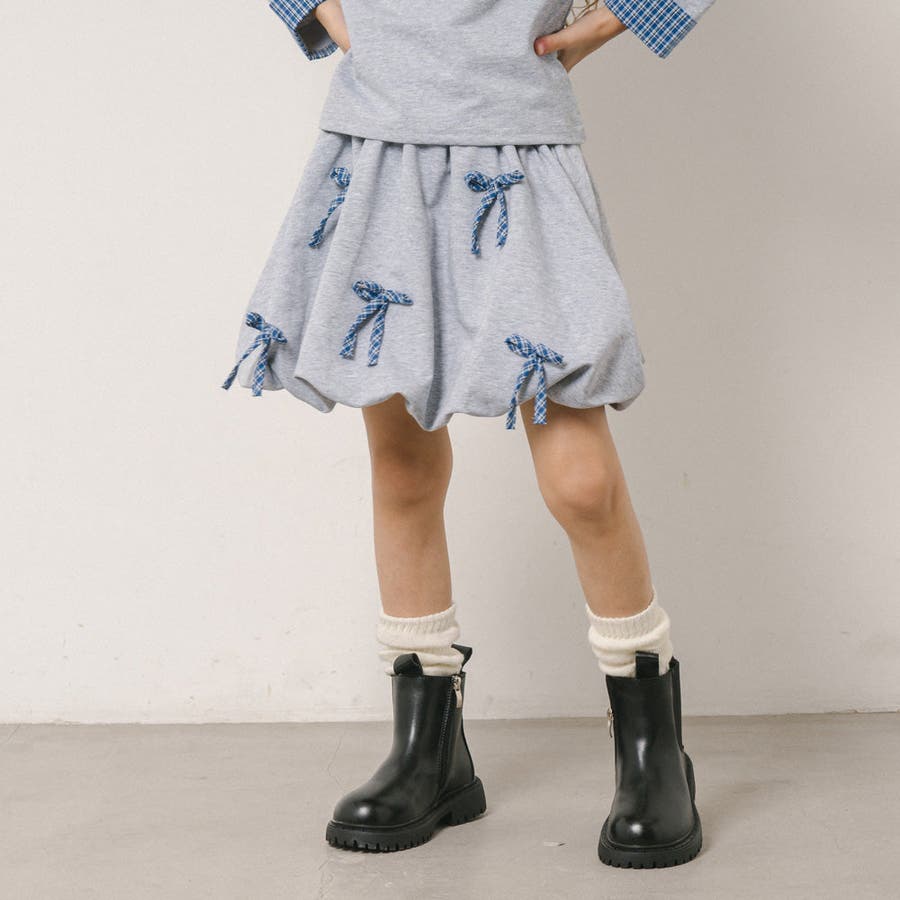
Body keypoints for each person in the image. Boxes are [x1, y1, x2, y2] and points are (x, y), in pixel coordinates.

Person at [223, 0, 717, 868]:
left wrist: (619, 18)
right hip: (381, 140)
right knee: (403, 466)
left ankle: (652, 749)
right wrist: (324, 11)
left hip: (521, 139)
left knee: (581, 483)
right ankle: (430, 748)